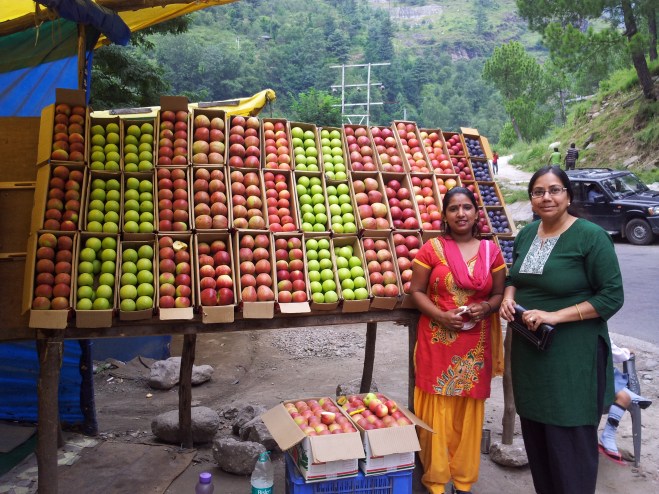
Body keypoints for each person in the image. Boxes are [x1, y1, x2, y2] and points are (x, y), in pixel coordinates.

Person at [499, 165, 624, 494]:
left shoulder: (589, 236)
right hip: (530, 352)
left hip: (572, 356)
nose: (546, 197)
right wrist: (508, 300)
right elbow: (513, 277)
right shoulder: (527, 234)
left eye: (554, 190)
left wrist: (556, 316)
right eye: (538, 192)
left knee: (569, 442)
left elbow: (611, 297)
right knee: (539, 441)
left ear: (568, 195)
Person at [410, 187, 506, 494]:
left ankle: (463, 483)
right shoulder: (432, 249)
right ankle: (436, 482)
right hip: (437, 340)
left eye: (466, 207)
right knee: (436, 411)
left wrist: (487, 307)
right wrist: (439, 315)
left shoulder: (492, 252)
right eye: (454, 208)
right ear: (445, 215)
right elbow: (416, 292)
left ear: (476, 213)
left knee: (469, 413)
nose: (461, 213)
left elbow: (498, 294)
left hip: (475, 344)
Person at [599, 342, 652, 463]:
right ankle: (608, 435)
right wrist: (627, 352)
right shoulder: (595, 327)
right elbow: (615, 353)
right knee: (622, 395)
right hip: (596, 382)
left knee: (609, 375)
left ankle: (629, 394)